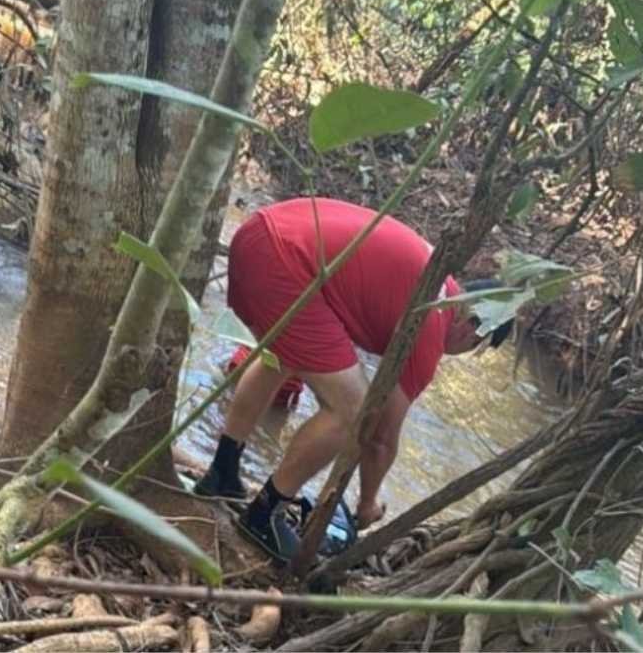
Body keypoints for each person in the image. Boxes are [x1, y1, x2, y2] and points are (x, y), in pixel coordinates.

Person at [194, 197, 512, 563]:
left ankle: (222, 472)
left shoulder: (437, 282)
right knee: (355, 410)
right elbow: (380, 437)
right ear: (474, 328)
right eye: (476, 347)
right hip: (287, 262)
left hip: (260, 233)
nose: (464, 352)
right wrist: (367, 502)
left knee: (281, 359)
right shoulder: (433, 324)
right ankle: (264, 513)